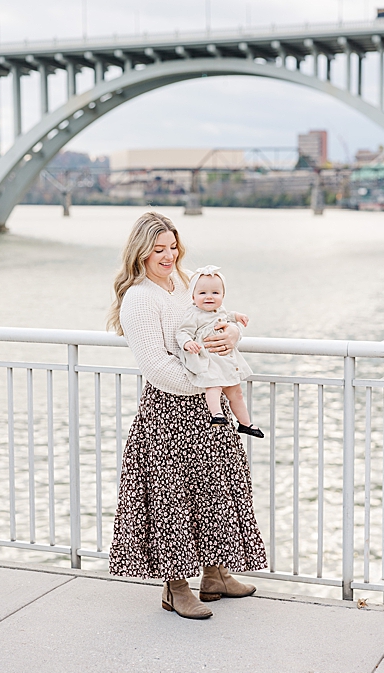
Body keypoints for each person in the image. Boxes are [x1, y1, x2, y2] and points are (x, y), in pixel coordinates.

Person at [107, 211, 267, 620]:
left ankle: (215, 576)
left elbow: (222, 315)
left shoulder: (188, 281)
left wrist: (233, 334)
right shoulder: (139, 299)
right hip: (170, 410)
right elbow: (157, 368)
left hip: (209, 408)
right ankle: (175, 588)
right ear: (140, 251)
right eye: (158, 249)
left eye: (172, 247)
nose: (167, 255)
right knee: (172, 500)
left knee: (218, 489)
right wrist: (210, 377)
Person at [177, 265, 264, 438]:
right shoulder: (193, 314)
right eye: (202, 293)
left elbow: (227, 316)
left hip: (225, 360)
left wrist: (237, 317)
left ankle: (245, 423)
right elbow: (182, 332)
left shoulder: (220, 311)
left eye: (215, 293)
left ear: (223, 296)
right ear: (193, 297)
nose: (209, 297)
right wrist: (187, 343)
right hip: (209, 360)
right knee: (214, 386)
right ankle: (216, 414)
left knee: (236, 392)